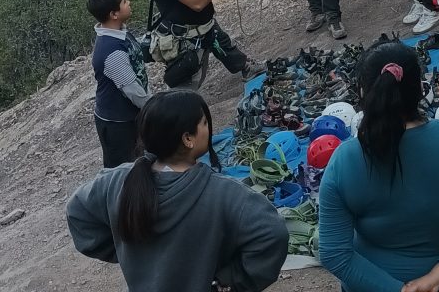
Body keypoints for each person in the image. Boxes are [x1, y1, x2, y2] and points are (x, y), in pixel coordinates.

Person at [318, 41, 439, 292]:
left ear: (363, 92)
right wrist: (435, 280)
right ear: (421, 88)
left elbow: (334, 253)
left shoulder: (345, 161)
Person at [67, 90, 289, 292]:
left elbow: (77, 212)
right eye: (204, 123)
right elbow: (273, 234)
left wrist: (125, 249)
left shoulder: (117, 181)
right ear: (188, 139)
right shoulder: (224, 194)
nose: (208, 128)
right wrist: (229, 279)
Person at [87, 0, 151, 168]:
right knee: (123, 172)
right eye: (124, 1)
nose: (129, 3)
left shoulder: (120, 32)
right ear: (113, 14)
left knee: (141, 162)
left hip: (129, 116)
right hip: (118, 124)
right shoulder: (111, 51)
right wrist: (156, 108)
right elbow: (133, 91)